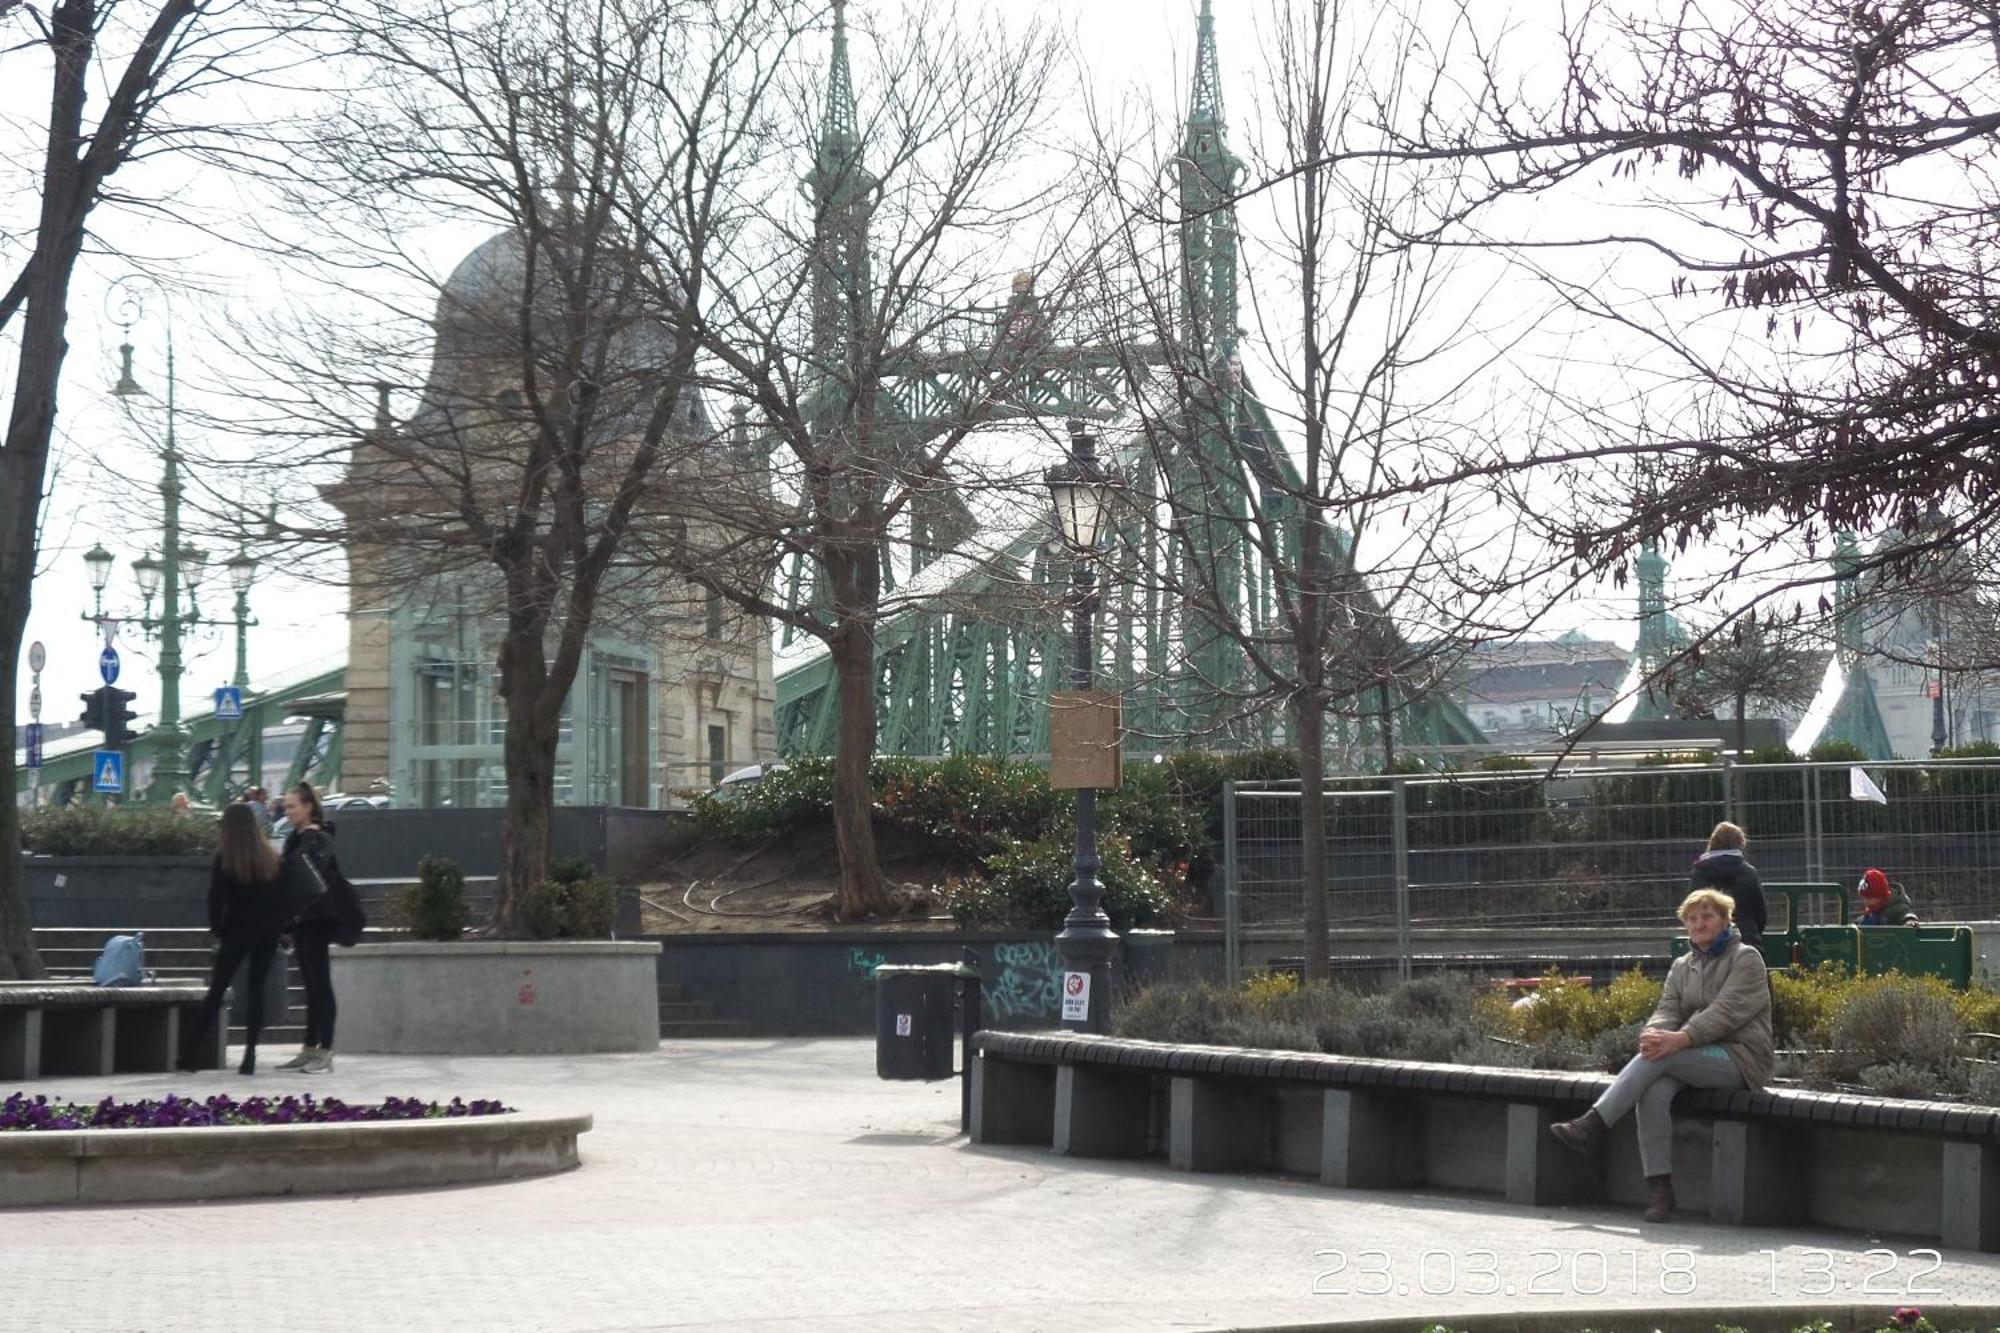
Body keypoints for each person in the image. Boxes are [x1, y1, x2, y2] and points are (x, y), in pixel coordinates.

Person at [1547, 887, 1773, 1223]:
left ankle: (1593, 1124)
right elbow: (1666, 1008)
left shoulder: (1747, 958)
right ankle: (1660, 1190)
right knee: (1653, 1090)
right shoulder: (1683, 965)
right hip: (1690, 1053)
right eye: (1692, 919)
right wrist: (1654, 1034)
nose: (1699, 924)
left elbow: (1726, 1012)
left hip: (1739, 1058)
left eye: (1707, 917)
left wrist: (1680, 1038)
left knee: (1660, 1057)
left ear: (1725, 920)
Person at [177, 804, 289, 1075]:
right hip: (267, 932)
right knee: (256, 990)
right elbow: (280, 899)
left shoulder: (226, 858)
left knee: (217, 991)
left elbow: (215, 898)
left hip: (236, 931)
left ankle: (190, 1054)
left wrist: (219, 928)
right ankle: (250, 1054)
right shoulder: (271, 857)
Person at [278, 781, 360, 1074]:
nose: (287, 812)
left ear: (308, 807)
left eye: (292, 806)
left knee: (320, 984)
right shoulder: (294, 838)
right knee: (311, 986)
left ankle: (325, 1049)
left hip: (316, 919)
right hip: (301, 921)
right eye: (285, 807)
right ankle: (310, 1047)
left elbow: (312, 883)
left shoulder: (317, 839)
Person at [1690, 821, 1766, 943]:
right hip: (1746, 940)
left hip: (1708, 943)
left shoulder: (1700, 872)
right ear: (1740, 844)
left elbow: (1691, 909)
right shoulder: (1749, 872)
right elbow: (1760, 913)